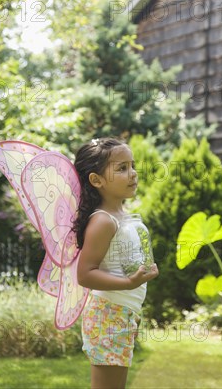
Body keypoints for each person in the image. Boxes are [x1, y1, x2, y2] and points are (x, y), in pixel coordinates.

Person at [73, 137, 159, 389]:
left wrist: (140, 277)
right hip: (107, 315)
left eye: (132, 166)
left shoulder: (122, 216)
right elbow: (85, 274)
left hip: (120, 314)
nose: (132, 174)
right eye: (121, 168)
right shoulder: (103, 221)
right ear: (96, 180)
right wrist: (129, 282)